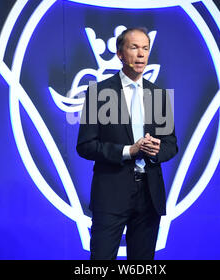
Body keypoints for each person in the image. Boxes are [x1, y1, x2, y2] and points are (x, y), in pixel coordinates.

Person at [76, 27, 178, 260]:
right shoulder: (99, 93)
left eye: (145, 48)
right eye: (134, 48)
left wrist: (156, 150)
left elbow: (171, 143)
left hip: (149, 195)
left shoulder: (159, 95)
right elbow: (85, 145)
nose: (141, 54)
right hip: (111, 193)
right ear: (120, 54)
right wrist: (128, 151)